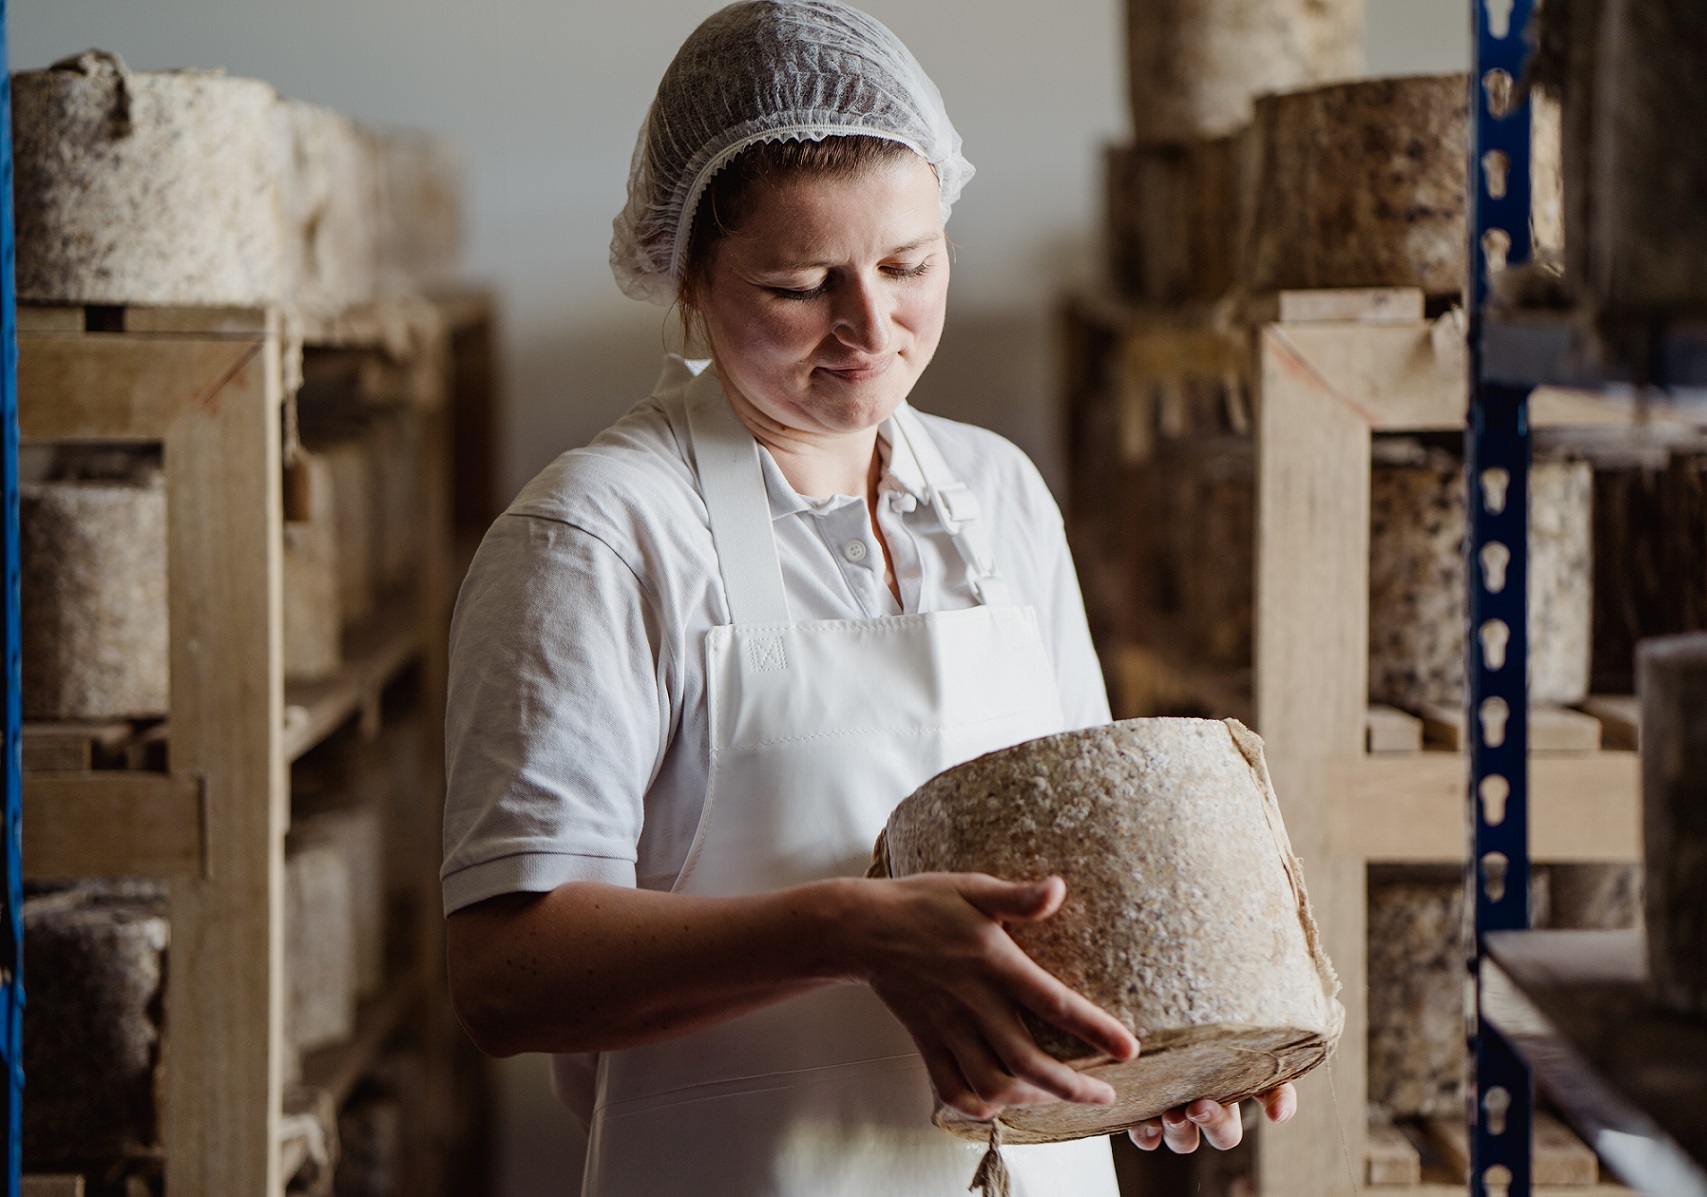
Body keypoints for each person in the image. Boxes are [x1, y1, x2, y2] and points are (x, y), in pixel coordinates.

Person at [441, 3, 1294, 1194]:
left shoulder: (996, 496)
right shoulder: (597, 535)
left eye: (908, 264)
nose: (871, 328)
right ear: (686, 269)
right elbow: (502, 978)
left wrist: (1169, 1035)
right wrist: (847, 930)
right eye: (799, 285)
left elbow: (1084, 878)